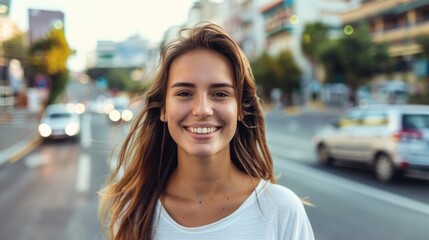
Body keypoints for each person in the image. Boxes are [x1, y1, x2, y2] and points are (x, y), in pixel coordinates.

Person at [98, 22, 315, 240]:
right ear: (163, 109)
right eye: (184, 93)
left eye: (220, 93)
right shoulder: (134, 210)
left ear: (240, 108)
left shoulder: (281, 210)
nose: (202, 110)